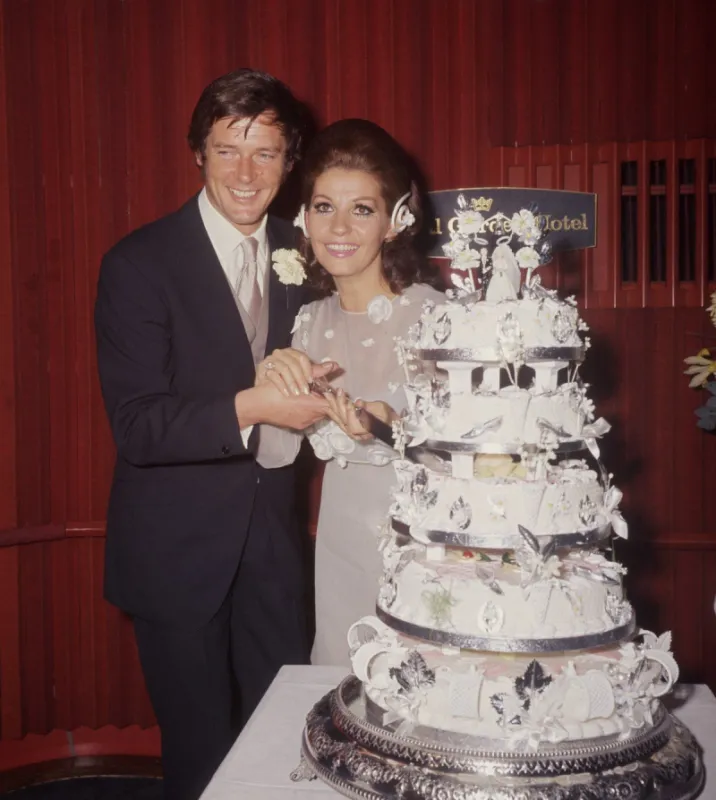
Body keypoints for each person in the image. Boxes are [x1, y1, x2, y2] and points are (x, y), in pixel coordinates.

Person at [94, 69, 333, 800]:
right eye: (228, 149)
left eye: (266, 152)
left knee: (288, 745)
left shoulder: (309, 251)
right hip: (176, 556)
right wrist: (254, 406)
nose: (246, 173)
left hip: (275, 554)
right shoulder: (139, 263)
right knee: (200, 760)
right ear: (198, 151)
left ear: (290, 161)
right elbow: (138, 426)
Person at [254, 119, 444, 666]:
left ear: (395, 220)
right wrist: (270, 387)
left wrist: (390, 427)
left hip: (425, 553)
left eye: (361, 209)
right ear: (304, 217)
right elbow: (275, 454)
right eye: (323, 207)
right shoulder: (308, 322)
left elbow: (484, 463)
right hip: (340, 554)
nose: (338, 227)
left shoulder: (439, 319)